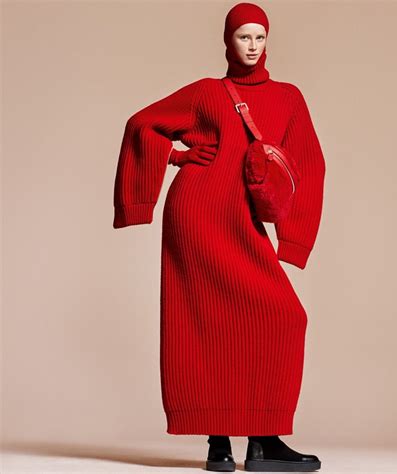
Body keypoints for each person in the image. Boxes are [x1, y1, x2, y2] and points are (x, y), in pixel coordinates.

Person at [113, 2, 326, 472]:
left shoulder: (288, 97)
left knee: (282, 317)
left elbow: (308, 163)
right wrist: (176, 158)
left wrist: (293, 239)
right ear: (227, 41)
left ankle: (263, 441)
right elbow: (141, 125)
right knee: (204, 321)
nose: (252, 46)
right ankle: (219, 443)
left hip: (244, 218)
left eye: (259, 37)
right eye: (243, 36)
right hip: (198, 212)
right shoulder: (207, 93)